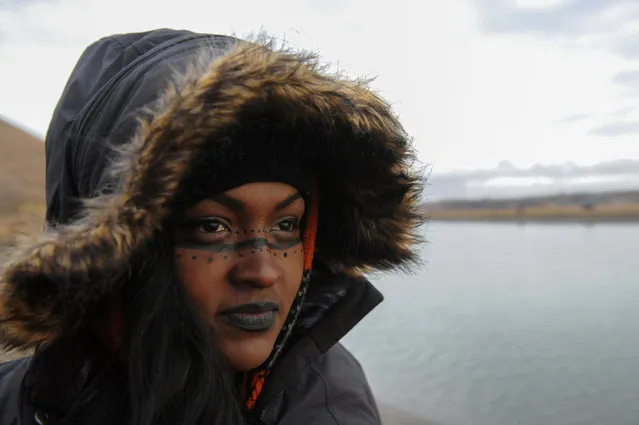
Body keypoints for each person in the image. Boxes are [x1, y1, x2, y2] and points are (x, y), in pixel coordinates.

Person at [0, 28, 425, 425]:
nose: (262, 271)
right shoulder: (17, 401)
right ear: (121, 250)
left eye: (286, 225)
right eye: (213, 226)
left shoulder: (328, 405)